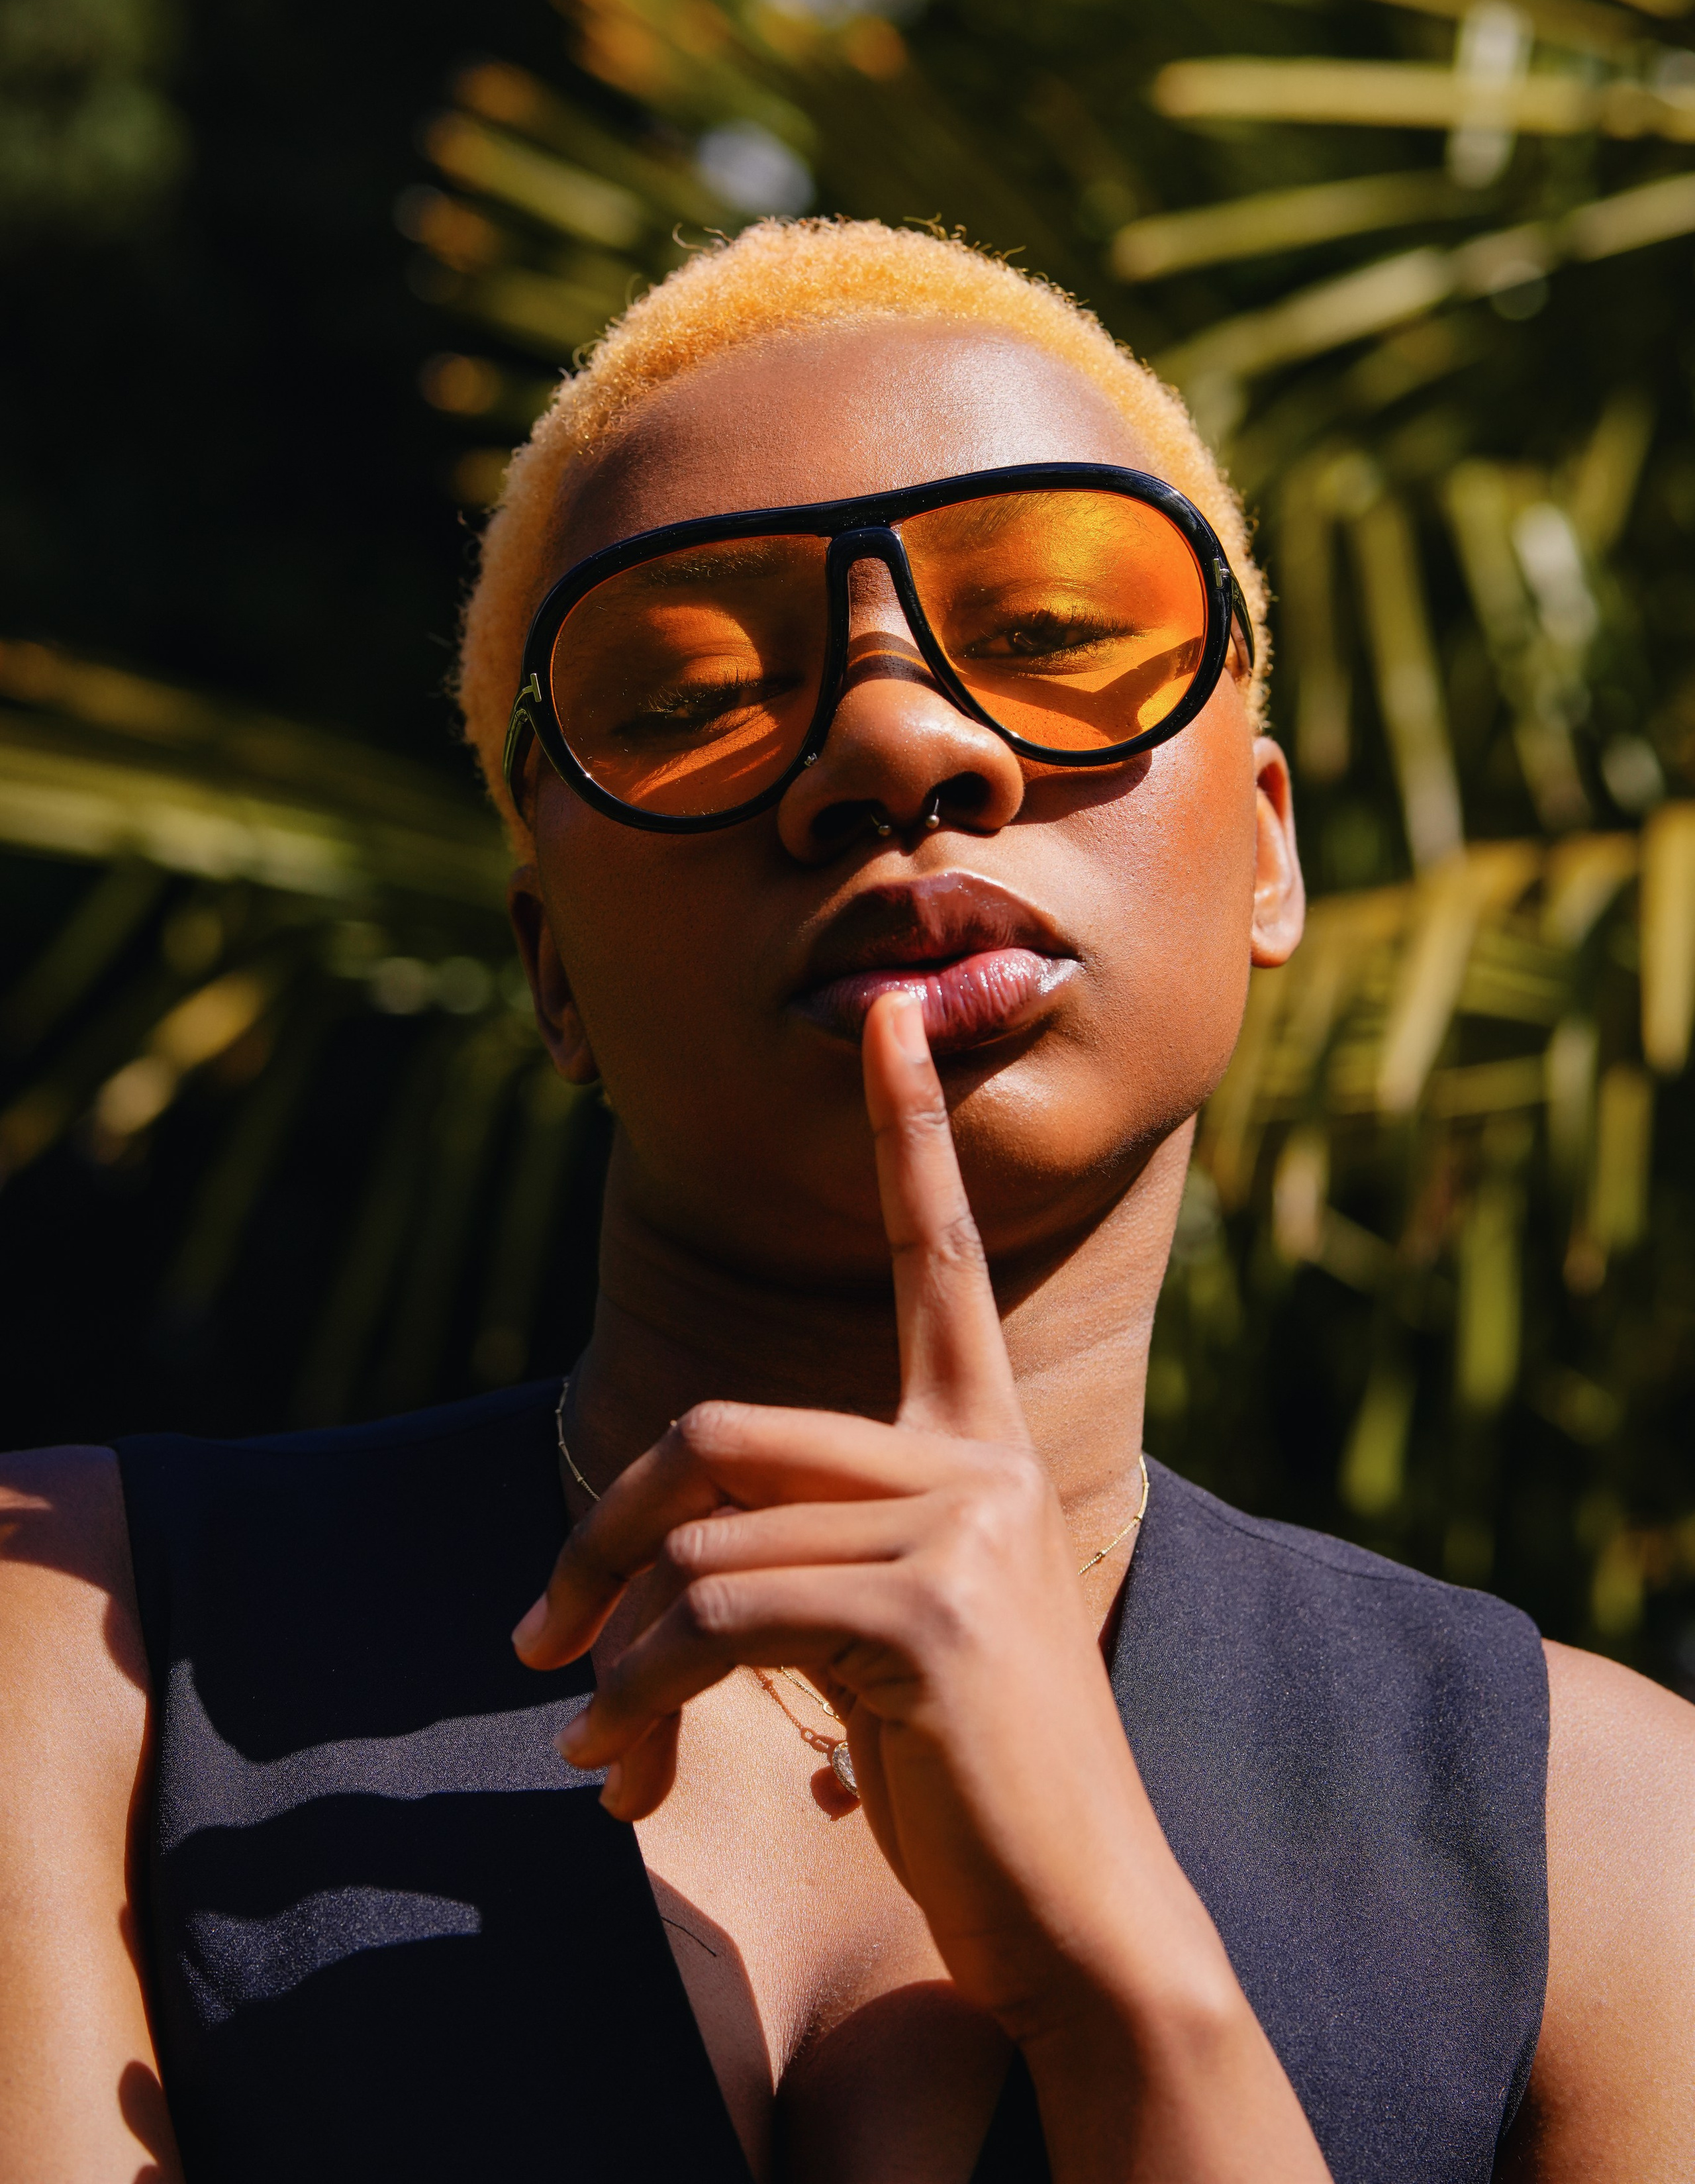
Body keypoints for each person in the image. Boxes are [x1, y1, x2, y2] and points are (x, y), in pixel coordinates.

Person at [2, 219, 1692, 2184]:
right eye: (690, 692)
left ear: (1266, 851)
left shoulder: (1613, 1848)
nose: (896, 746)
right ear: (552, 970)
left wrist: (1134, 2000)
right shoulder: (75, 1664)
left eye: (1052, 628)